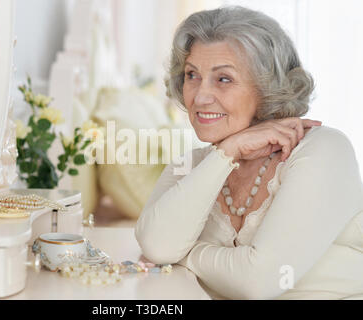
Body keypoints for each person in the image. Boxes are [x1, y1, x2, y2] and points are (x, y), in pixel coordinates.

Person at [135, 6, 363, 300]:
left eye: (224, 79)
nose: (200, 97)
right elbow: (156, 247)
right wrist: (227, 151)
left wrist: (187, 254)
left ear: (268, 88)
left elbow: (257, 282)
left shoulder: (324, 150)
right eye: (192, 75)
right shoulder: (192, 164)